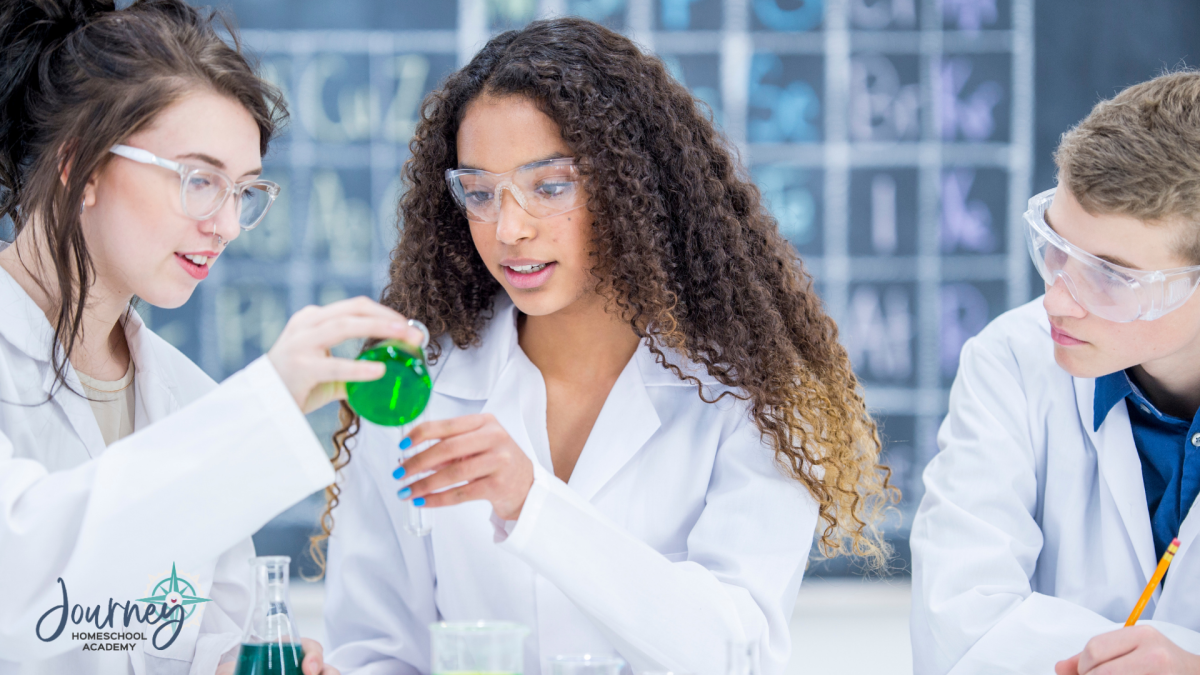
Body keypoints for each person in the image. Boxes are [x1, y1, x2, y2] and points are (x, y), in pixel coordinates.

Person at [315, 17, 898, 675]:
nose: (510, 228)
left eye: (550, 186)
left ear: (630, 186)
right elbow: (377, 650)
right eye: (479, 193)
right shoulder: (411, 395)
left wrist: (535, 505)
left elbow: (739, 650)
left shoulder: (748, 396)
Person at [0, 1, 423, 673]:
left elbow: (186, 641)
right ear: (77, 164)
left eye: (244, 192)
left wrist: (238, 663)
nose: (225, 224)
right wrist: (261, 412)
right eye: (199, 181)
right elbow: (21, 584)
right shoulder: (221, 424)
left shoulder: (186, 396)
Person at [911, 71, 1200, 674]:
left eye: (1110, 275)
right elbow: (959, 629)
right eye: (1056, 247)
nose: (1057, 300)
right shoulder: (1013, 360)